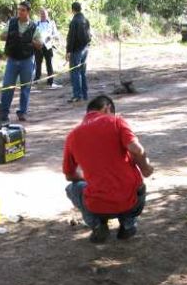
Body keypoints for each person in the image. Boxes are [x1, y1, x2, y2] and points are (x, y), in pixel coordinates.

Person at [63, 95, 154, 243]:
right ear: (107, 108)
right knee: (139, 185)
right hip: (129, 200)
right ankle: (128, 222)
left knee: (72, 188)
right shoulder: (116, 121)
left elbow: (69, 175)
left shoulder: (72, 136)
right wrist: (145, 167)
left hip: (97, 203)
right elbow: (136, 149)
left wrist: (87, 179)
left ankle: (97, 224)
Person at [0, 0, 43, 124]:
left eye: (23, 10)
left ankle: (22, 112)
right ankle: (4, 113)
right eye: (19, 10)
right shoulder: (11, 23)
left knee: (25, 88)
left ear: (28, 12)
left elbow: (40, 45)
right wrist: (10, 35)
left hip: (27, 60)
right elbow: (1, 36)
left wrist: (31, 41)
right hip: (12, 59)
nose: (20, 12)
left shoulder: (34, 26)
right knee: (7, 86)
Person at [66, 1, 91, 103]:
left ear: (73, 10)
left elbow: (71, 38)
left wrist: (68, 51)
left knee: (75, 73)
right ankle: (84, 94)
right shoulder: (85, 20)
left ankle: (77, 95)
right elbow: (89, 34)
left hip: (76, 50)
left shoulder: (74, 21)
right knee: (82, 72)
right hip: (85, 49)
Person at [35, 8, 62, 89]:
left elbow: (56, 34)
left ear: (47, 15)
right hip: (38, 46)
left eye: (45, 14)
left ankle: (50, 81)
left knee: (49, 63)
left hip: (48, 46)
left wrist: (51, 36)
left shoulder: (51, 23)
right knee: (38, 63)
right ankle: (36, 79)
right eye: (42, 14)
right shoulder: (36, 23)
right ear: (40, 15)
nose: (43, 16)